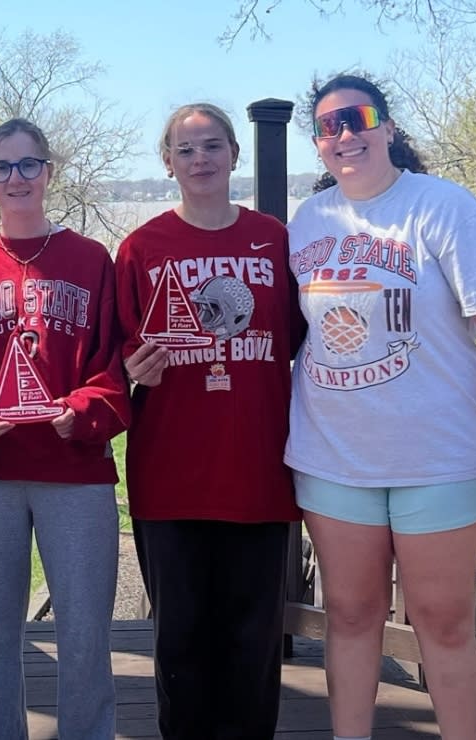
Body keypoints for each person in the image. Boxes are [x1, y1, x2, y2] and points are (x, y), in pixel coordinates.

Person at [287, 74, 476, 740]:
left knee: (443, 623)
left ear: (388, 127)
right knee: (351, 615)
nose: (345, 134)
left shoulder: (443, 207)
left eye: (357, 118)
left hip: (441, 460)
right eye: (329, 126)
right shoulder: (307, 221)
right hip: (335, 461)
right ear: (318, 143)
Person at [0, 118, 130, 739]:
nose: (16, 178)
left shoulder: (92, 260)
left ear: (50, 170)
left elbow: (113, 368)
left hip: (76, 474)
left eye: (28, 164)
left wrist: (83, 413)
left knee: (86, 637)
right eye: (2, 167)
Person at [114, 103, 304, 739]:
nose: (200, 160)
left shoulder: (276, 239)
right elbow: (115, 357)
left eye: (212, 146)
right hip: (171, 476)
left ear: (234, 156)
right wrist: (135, 369)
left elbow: (308, 342)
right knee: (181, 649)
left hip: (258, 470)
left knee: (255, 646)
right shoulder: (141, 248)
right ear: (167, 162)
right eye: (186, 149)